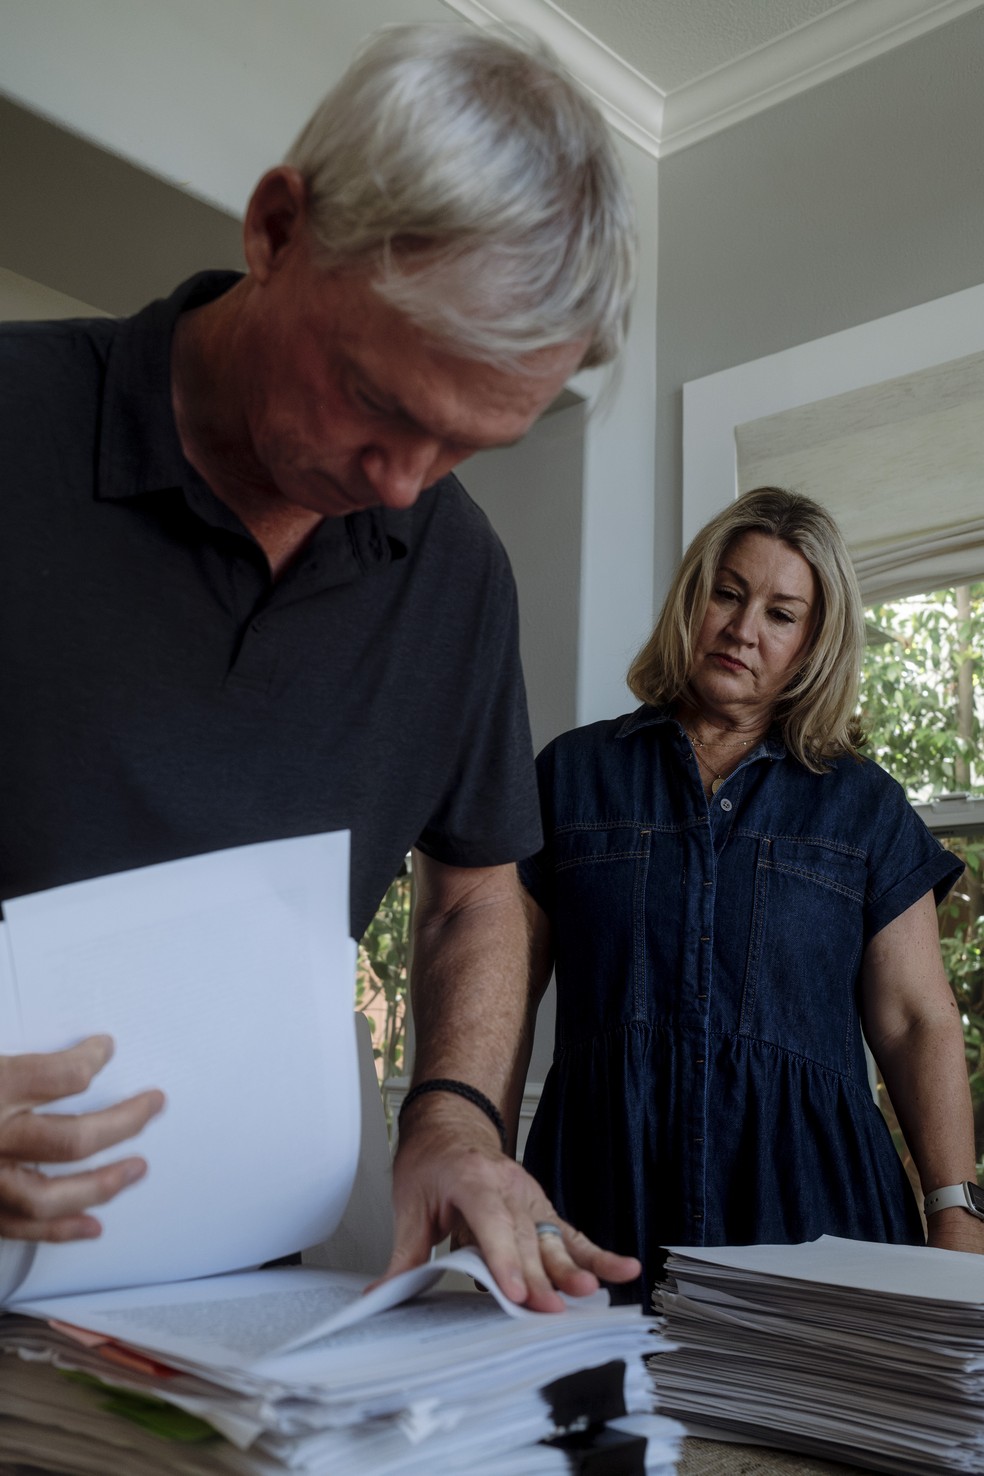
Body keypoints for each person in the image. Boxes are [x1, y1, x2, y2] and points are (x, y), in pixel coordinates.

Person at [0, 22, 641, 1310]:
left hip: (229, 1320)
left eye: (469, 445)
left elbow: (476, 895)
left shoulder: (457, 574)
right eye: (380, 400)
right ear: (278, 230)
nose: (401, 484)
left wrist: (455, 1121)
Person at [518, 486, 984, 1306]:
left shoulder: (861, 804)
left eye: (781, 612)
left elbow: (916, 1020)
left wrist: (955, 1210)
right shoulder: (571, 777)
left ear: (811, 644)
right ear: (691, 601)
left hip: (817, 1206)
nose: (742, 629)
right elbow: (498, 993)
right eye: (727, 594)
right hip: (597, 1192)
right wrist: (474, 1151)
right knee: (587, 1428)